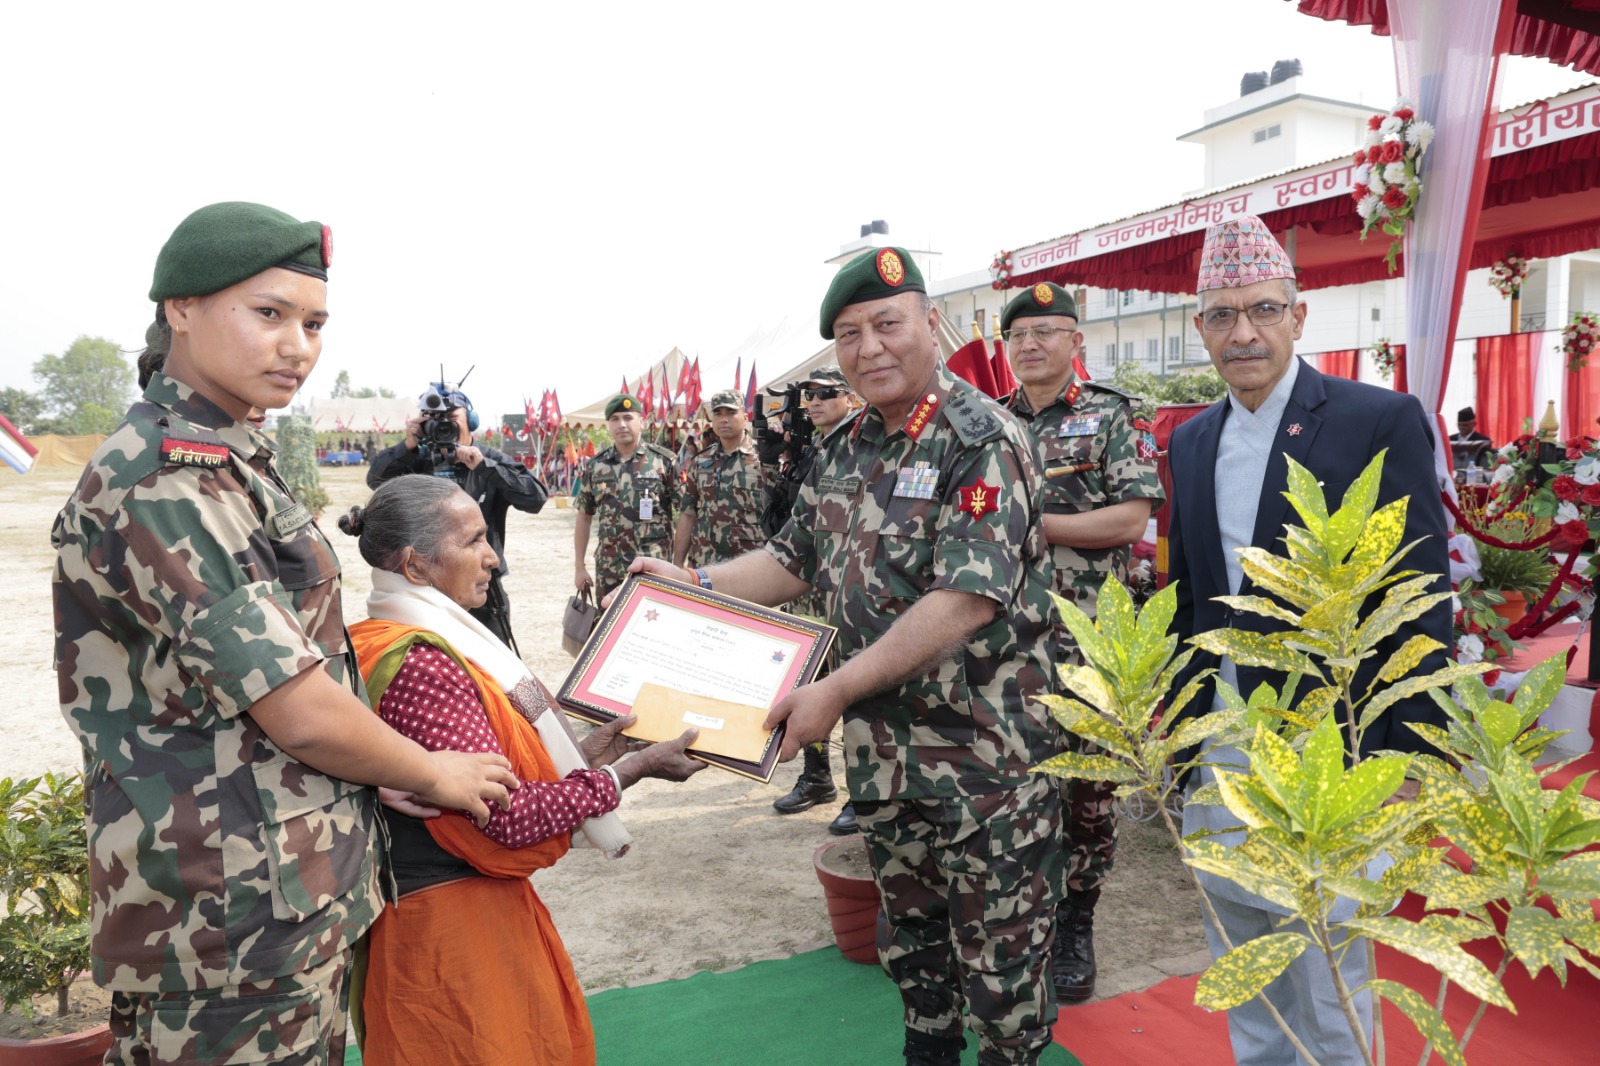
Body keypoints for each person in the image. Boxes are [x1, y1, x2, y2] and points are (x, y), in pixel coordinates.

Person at [53, 201, 518, 1066]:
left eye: (313, 323)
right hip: (222, 922)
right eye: (268, 314)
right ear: (180, 310)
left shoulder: (229, 460)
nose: (298, 345)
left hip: (278, 895)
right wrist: (432, 770)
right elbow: (297, 709)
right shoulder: (167, 481)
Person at [627, 247, 1063, 1066]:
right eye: (850, 336)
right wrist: (690, 581)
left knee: (1002, 983)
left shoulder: (983, 441)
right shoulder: (849, 442)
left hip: (986, 766)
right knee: (918, 965)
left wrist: (834, 689)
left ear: (929, 324)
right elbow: (792, 560)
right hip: (888, 761)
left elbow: (964, 598)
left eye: (887, 325)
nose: (870, 349)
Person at [1166, 215, 1452, 1066]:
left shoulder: (1377, 419)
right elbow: (1188, 599)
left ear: (1300, 314)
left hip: (1333, 738)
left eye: (1262, 310)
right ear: (1200, 328)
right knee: (1242, 934)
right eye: (1222, 315)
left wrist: (1405, 756)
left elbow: (1419, 595)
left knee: (1328, 949)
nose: (1242, 333)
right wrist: (1181, 739)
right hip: (1222, 731)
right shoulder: (1190, 438)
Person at [341, 475, 703, 1066]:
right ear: (414, 565)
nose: (495, 559)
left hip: (466, 910)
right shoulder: (422, 663)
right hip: (447, 930)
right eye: (475, 541)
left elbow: (490, 769)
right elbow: (503, 817)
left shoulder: (424, 638)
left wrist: (581, 758)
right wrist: (627, 774)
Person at [1000, 281, 1164, 1003]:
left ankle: (1077, 920)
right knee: (1011, 784)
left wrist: (1033, 532)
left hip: (1086, 641)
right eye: (1019, 336)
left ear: (1075, 341)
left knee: (1085, 793)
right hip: (1003, 643)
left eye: (1046, 332)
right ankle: (1022, 913)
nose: (1031, 345)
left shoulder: (1109, 417)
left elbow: (1129, 520)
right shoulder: (987, 423)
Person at [367, 385, 548, 649]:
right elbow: (375, 479)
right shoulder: (416, 461)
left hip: (481, 586)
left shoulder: (489, 460)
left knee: (492, 662)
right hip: (426, 584)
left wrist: (484, 467)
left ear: (470, 422)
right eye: (435, 423)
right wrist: (407, 445)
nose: (444, 429)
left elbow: (536, 498)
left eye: (452, 421)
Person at [765, 367, 862, 835]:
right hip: (812, 590)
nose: (815, 402)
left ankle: (862, 795)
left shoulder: (864, 444)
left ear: (850, 396)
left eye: (826, 393)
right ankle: (819, 777)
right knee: (809, 684)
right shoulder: (815, 450)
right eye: (808, 396)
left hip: (852, 593)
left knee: (856, 691)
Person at [574, 393, 679, 599]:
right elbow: (584, 517)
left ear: (641, 421)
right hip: (609, 569)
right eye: (615, 419)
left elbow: (686, 514)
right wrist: (579, 567)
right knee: (609, 625)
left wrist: (679, 564)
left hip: (653, 567)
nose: (621, 424)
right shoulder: (596, 466)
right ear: (608, 425)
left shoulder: (664, 462)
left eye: (628, 418)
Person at [672, 389, 772, 568]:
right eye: (718, 414)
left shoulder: (764, 460)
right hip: (705, 566)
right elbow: (688, 515)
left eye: (731, 413)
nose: (724, 419)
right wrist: (678, 564)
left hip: (749, 568)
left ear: (745, 416)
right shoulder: (700, 461)